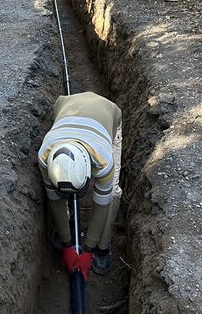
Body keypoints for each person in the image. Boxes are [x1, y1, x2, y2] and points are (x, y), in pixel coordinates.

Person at [38, 92, 123, 279]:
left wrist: (89, 250)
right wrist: (68, 244)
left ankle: (102, 248)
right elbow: (55, 201)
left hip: (107, 115)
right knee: (60, 198)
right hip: (66, 106)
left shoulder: (103, 160)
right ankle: (66, 229)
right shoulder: (45, 156)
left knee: (112, 193)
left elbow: (102, 205)